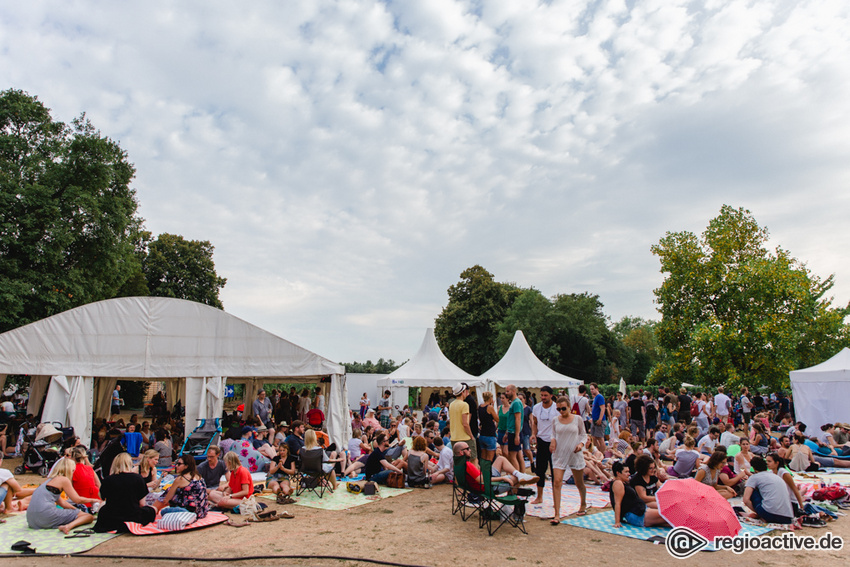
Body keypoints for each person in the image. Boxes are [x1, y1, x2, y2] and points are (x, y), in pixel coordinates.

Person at [27, 458, 98, 533]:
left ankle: (68, 523)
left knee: (81, 515)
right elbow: (77, 500)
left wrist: (77, 511)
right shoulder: (63, 480)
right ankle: (68, 526)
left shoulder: (48, 481)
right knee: (88, 517)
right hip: (46, 515)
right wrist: (93, 500)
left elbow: (62, 503)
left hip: (32, 520)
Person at [549, 396, 588, 524]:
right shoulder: (555, 420)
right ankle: (557, 514)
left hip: (574, 453)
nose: (561, 411)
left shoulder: (577, 419)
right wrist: (553, 441)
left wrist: (581, 445)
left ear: (569, 407)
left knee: (579, 482)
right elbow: (553, 434)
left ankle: (583, 503)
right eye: (558, 409)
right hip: (559, 454)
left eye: (563, 408)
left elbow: (583, 435)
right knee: (557, 482)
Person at [94, 452, 156, 532]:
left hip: (111, 517)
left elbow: (103, 498)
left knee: (103, 510)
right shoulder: (138, 478)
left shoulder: (108, 480)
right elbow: (142, 504)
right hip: (133, 515)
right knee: (151, 510)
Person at [453, 441, 538, 493]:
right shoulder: (468, 465)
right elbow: (481, 480)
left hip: (481, 483)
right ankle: (507, 507)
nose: (470, 450)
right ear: (461, 452)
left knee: (500, 458)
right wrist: (502, 478)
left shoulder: (458, 463)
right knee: (515, 479)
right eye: (467, 449)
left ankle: (520, 474)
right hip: (488, 487)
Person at [611, 461, 669, 528]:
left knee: (670, 522)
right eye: (626, 472)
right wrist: (617, 522)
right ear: (618, 473)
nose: (629, 474)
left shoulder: (623, 482)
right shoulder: (618, 483)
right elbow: (617, 503)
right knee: (669, 514)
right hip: (637, 514)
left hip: (639, 510)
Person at [743, 456, 793, 524]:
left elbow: (745, 500)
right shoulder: (775, 476)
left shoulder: (754, 478)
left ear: (754, 468)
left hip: (769, 514)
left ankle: (761, 514)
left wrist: (759, 512)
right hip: (787, 517)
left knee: (751, 490)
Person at [530, 386, 557, 505]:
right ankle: (539, 496)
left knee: (555, 470)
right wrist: (533, 434)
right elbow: (535, 423)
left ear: (551, 395)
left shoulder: (557, 407)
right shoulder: (536, 408)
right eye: (541, 395)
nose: (543, 398)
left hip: (554, 441)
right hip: (541, 440)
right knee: (540, 469)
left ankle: (556, 497)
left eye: (545, 395)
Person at [449, 382, 477, 463]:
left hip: (454, 437)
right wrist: (471, 435)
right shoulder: (464, 405)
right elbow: (465, 423)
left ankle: (458, 476)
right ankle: (475, 476)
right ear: (462, 392)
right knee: (473, 460)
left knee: (458, 462)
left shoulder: (452, 404)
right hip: (464, 437)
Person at [70, 447, 100, 511]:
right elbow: (98, 484)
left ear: (72, 457)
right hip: (95, 499)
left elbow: (70, 487)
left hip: (81, 501)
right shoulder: (89, 469)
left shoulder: (72, 470)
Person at [478, 391, 500, 462]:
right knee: (490, 458)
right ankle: (489, 471)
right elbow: (497, 419)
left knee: (483, 457)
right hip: (490, 434)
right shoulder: (490, 407)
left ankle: (483, 471)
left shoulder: (480, 407)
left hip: (482, 434)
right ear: (490, 398)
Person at [589, 383, 606, 452]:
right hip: (594, 419)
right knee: (593, 437)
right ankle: (598, 451)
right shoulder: (595, 398)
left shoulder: (599, 397)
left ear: (596, 389)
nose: (591, 391)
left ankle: (602, 453)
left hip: (599, 420)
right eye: (590, 389)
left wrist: (600, 419)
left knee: (600, 438)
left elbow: (602, 408)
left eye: (593, 389)